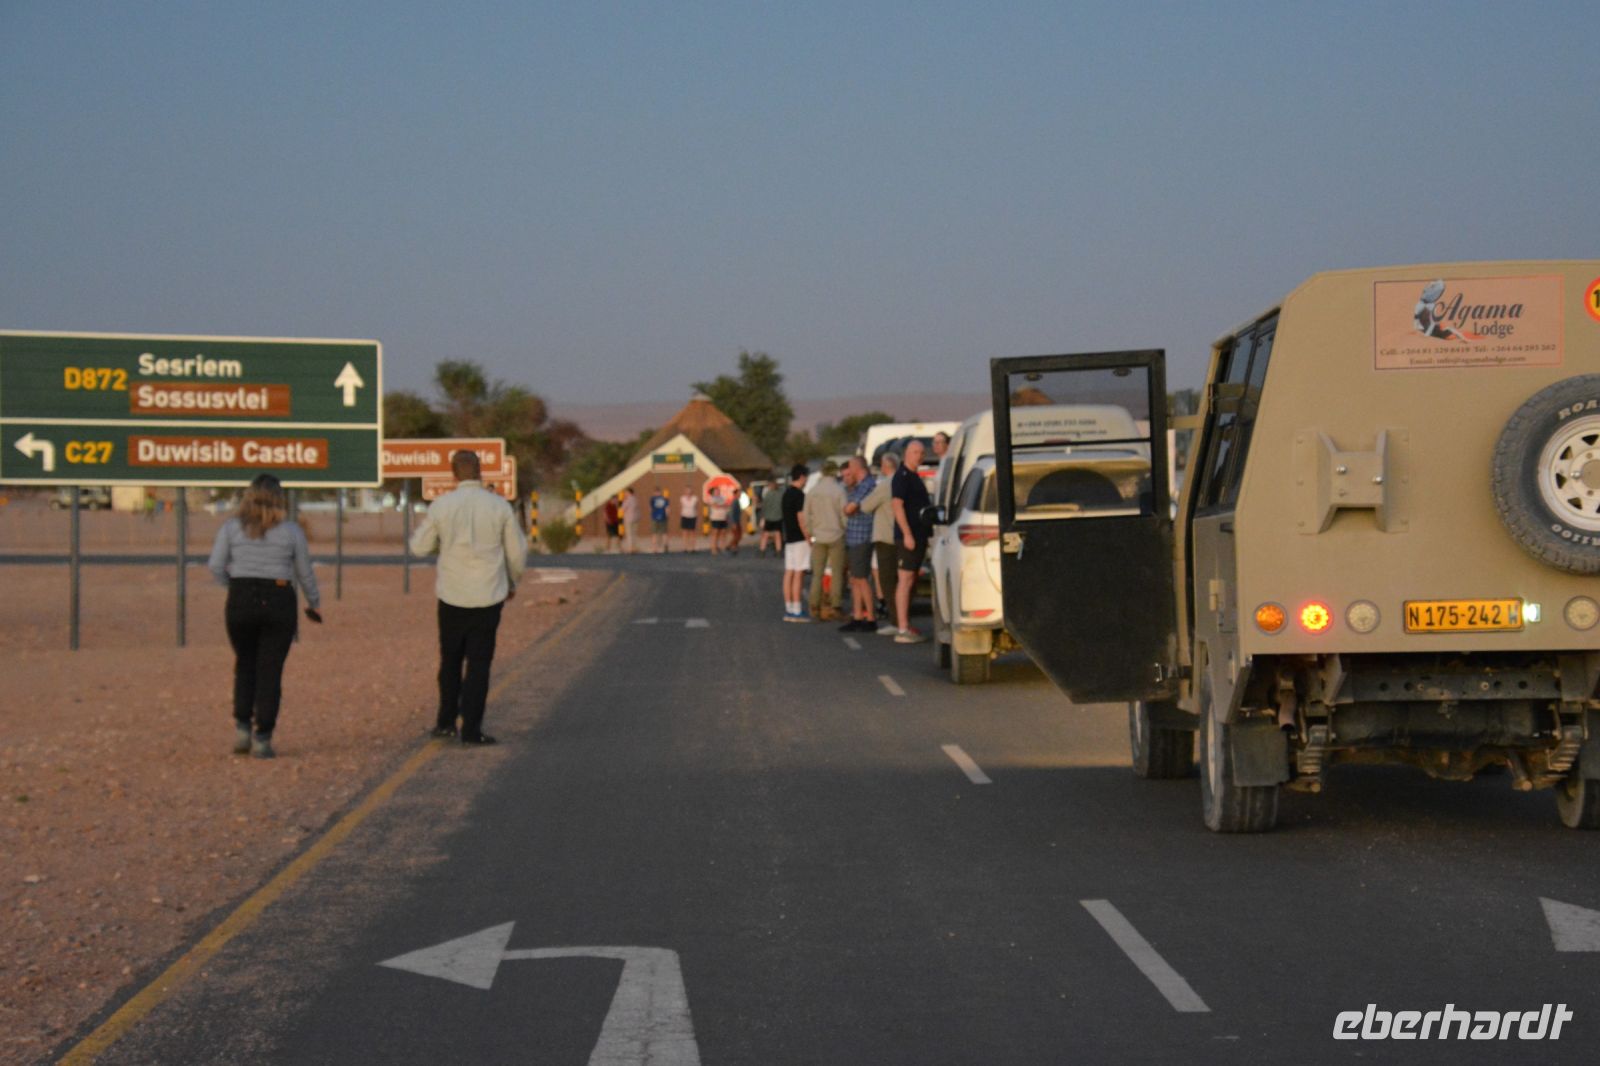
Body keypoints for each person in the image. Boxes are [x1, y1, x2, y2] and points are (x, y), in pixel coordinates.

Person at [410, 450, 527, 745]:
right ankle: (472, 730)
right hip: (489, 594)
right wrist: (513, 580)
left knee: (450, 660)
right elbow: (517, 552)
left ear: (453, 473)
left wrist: (442, 543)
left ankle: (446, 721)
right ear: (480, 471)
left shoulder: (441, 506)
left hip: (451, 594)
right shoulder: (499, 506)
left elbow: (419, 547)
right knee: (479, 663)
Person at [207, 474, 321, 759]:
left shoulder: (232, 528)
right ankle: (263, 737)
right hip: (279, 598)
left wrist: (233, 586)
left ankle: (242, 728)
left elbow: (216, 566)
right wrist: (314, 602)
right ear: (279, 499)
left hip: (241, 598)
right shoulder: (292, 531)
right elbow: (305, 571)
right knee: (270, 670)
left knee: (245, 663)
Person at [891, 439, 932, 643]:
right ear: (907, 454)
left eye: (922, 452)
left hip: (920, 536)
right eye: (916, 452)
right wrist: (907, 533)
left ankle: (906, 623)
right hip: (908, 538)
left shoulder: (915, 477)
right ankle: (902, 627)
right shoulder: (902, 477)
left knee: (912, 580)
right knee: (905, 580)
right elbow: (897, 506)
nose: (919, 456)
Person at [862, 451, 901, 635]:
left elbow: (866, 505)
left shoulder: (885, 485)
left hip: (885, 537)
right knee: (902, 580)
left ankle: (896, 621)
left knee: (887, 582)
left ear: (886, 467)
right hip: (901, 536)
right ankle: (902, 619)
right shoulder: (903, 482)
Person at [839, 456, 878, 631]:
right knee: (855, 579)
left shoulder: (866, 485)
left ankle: (870, 617)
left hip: (862, 536)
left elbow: (849, 508)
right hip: (854, 536)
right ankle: (857, 615)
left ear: (857, 467)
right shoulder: (859, 486)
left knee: (862, 579)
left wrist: (848, 509)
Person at [805, 460, 847, 620]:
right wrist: (843, 529)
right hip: (836, 535)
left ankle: (814, 605)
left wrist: (811, 531)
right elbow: (844, 515)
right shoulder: (839, 490)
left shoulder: (813, 491)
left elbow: (806, 514)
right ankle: (835, 606)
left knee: (817, 573)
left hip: (819, 536)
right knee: (836, 573)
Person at [780, 464, 810, 621]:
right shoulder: (800, 495)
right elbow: (801, 519)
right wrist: (808, 537)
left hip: (789, 538)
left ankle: (789, 607)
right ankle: (797, 609)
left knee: (789, 572)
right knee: (799, 573)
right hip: (799, 539)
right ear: (802, 477)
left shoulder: (786, 494)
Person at [758, 482, 785, 556]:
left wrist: (762, 517)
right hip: (778, 517)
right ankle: (778, 551)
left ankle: (762, 550)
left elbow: (764, 507)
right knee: (778, 534)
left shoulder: (768, 495)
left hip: (768, 517)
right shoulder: (780, 494)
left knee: (765, 534)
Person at [708, 486, 730, 554]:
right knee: (715, 533)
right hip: (715, 518)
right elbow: (715, 506)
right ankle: (713, 548)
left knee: (723, 533)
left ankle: (722, 547)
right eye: (716, 491)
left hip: (723, 518)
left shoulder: (722, 498)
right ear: (713, 492)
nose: (717, 492)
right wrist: (722, 506)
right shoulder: (711, 498)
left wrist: (723, 506)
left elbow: (726, 506)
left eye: (718, 490)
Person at [649, 486, 671, 552]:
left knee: (654, 533)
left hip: (655, 517)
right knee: (664, 533)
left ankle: (654, 548)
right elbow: (667, 509)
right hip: (663, 517)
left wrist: (651, 515)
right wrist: (667, 516)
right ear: (660, 492)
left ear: (654, 492)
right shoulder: (665, 499)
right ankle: (665, 546)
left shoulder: (652, 499)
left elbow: (650, 509)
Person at [678, 487, 700, 552]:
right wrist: (680, 516)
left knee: (692, 533)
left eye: (689, 490)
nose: (688, 492)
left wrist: (697, 517)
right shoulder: (682, 498)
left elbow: (696, 508)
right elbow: (680, 507)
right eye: (687, 491)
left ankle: (692, 547)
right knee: (685, 533)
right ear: (685, 491)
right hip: (684, 516)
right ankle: (685, 547)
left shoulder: (695, 498)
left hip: (693, 516)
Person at [620, 488, 639, 554]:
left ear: (629, 492)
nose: (625, 494)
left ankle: (630, 548)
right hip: (636, 519)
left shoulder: (627, 500)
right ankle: (634, 548)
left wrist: (622, 501)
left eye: (626, 492)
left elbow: (622, 509)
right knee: (634, 534)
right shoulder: (635, 499)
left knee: (629, 534)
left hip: (628, 519)